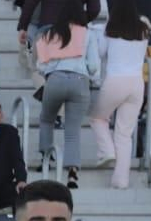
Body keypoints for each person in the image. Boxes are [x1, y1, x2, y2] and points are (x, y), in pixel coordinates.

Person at [89, 0, 151, 191]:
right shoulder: (143, 30)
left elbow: (100, 53)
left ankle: (107, 151)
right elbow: (147, 23)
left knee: (98, 118)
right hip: (137, 83)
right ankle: (120, 181)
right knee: (124, 134)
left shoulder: (109, 30)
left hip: (115, 80)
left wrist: (98, 31)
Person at [36, 10, 102, 188]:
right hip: (80, 81)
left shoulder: (48, 34)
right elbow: (95, 66)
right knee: (72, 130)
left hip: (55, 79)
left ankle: (45, 158)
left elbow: (40, 65)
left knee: (47, 119)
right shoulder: (87, 34)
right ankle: (72, 172)